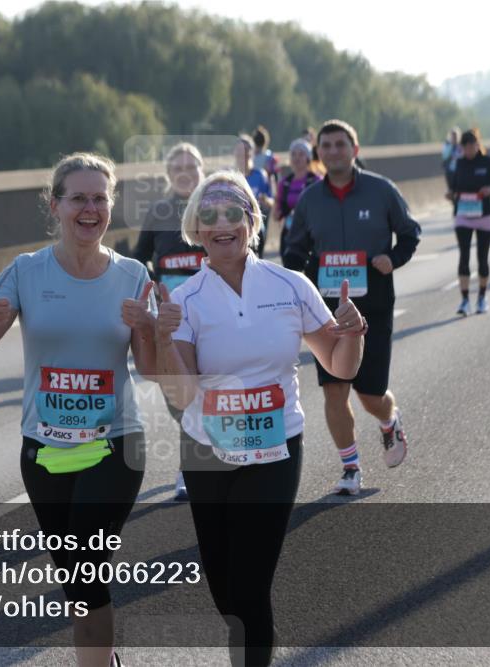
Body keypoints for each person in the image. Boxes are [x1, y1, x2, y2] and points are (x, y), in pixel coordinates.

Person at [154, 170, 365, 666]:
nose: (222, 223)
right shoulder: (184, 301)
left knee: (250, 588)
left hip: (275, 448)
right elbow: (183, 395)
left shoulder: (291, 284)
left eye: (233, 213)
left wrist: (353, 333)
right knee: (225, 592)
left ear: (252, 221)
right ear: (196, 229)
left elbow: (340, 366)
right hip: (207, 453)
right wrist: (164, 339)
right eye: (209, 215)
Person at [0, 153, 156, 667]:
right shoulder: (26, 272)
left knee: (88, 562)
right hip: (44, 447)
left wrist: (152, 327)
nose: (89, 209)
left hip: (115, 443)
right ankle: (104, 657)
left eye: (99, 198)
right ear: (56, 205)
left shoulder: (133, 274)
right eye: (78, 198)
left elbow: (151, 369)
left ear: (110, 206)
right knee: (74, 572)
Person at [283, 119, 420, 495]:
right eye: (325, 145)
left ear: (354, 150)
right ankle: (350, 467)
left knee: (371, 394)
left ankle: (389, 420)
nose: (332, 151)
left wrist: (392, 258)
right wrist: (297, 279)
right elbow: (294, 248)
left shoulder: (381, 191)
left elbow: (410, 233)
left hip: (372, 306)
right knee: (334, 389)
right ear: (319, 152)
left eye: (340, 145)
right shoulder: (310, 199)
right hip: (326, 311)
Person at [131, 142, 206, 500]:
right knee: (177, 396)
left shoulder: (214, 206)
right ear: (168, 174)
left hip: (212, 316)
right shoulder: (159, 211)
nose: (185, 172)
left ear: (201, 168)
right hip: (172, 321)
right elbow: (139, 259)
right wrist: (154, 282)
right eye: (177, 167)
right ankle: (189, 463)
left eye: (190, 166)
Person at [448, 129, 490, 315]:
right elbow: (455, 187)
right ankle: (464, 300)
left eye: (472, 145)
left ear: (477, 145)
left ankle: (482, 297)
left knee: (482, 258)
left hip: (485, 215)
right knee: (464, 256)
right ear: (462, 147)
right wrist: (452, 195)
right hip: (463, 214)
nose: (469, 149)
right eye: (465, 146)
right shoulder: (459, 163)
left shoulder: (488, 162)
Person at [274, 139, 320, 264]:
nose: (297, 158)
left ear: (308, 157)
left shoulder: (317, 181)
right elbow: (276, 215)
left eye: (301, 154)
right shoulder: (285, 182)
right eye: (293, 154)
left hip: (311, 233)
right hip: (290, 233)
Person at [235, 134, 273, 254]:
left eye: (247, 150)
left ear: (252, 153)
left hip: (256, 226)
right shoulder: (230, 177)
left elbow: (271, 201)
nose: (244, 154)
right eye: (240, 150)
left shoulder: (260, 175)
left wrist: (266, 200)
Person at [251, 125, 279, 195]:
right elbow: (275, 178)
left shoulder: (249, 158)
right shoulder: (270, 157)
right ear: (266, 141)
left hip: (252, 189)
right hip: (266, 192)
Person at [442, 128, 461, 205]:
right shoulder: (447, 145)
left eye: (456, 136)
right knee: (451, 190)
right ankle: (454, 204)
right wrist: (451, 146)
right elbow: (445, 156)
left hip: (459, 171)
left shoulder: (461, 145)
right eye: (453, 136)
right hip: (450, 172)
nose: (454, 138)